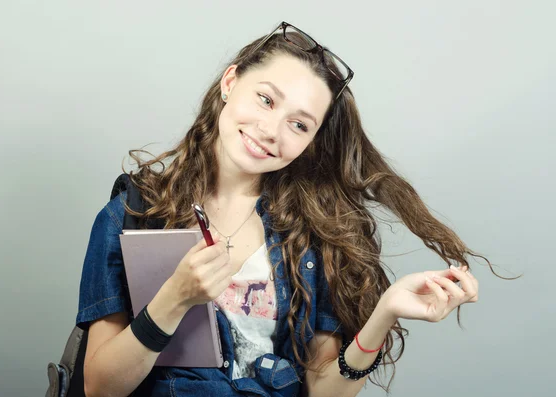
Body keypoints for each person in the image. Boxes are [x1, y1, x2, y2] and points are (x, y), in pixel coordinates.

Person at [76, 21, 490, 397]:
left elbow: (324, 391)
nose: (270, 131)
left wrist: (384, 314)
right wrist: (175, 298)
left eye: (299, 125)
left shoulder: (317, 234)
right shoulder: (133, 213)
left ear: (310, 141)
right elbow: (101, 386)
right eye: (266, 99)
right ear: (230, 81)